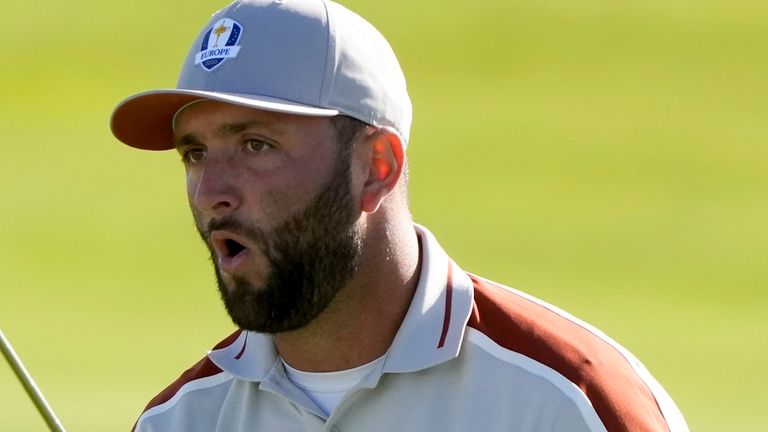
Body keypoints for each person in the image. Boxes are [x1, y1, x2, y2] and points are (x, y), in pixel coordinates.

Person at [110, 0, 689, 431]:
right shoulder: (180, 420)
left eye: (257, 145)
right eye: (195, 153)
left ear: (377, 165)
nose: (212, 191)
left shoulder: (571, 401)